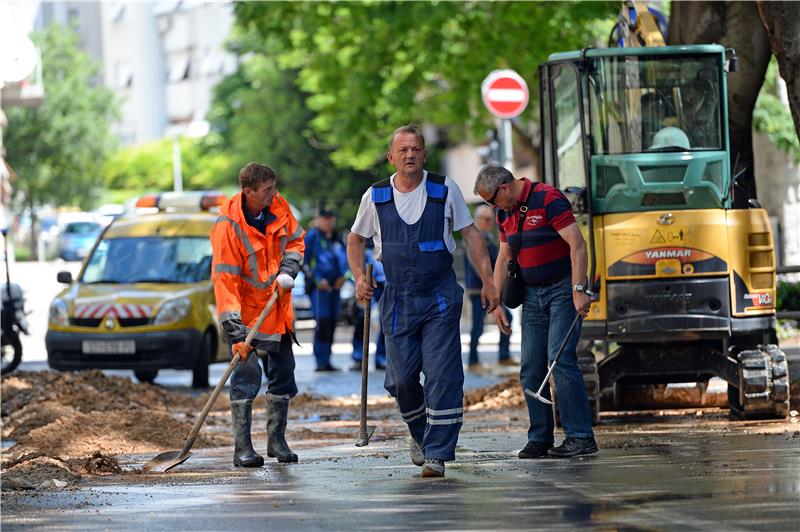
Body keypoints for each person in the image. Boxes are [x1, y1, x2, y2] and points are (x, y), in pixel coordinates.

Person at [347, 125, 499, 478]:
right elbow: (355, 240)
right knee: (400, 381)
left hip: (439, 297)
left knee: (442, 375)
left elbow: (471, 236)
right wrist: (357, 277)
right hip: (398, 297)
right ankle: (420, 434)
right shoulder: (375, 196)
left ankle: (438, 453)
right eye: (403, 150)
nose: (410, 155)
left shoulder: (444, 190)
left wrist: (489, 280)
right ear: (391, 157)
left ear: (424, 154)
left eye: (415, 149)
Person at [474, 163, 598, 459]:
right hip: (531, 295)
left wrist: (579, 291)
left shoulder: (549, 198)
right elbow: (505, 257)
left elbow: (577, 245)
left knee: (560, 358)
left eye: (491, 200)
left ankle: (580, 436)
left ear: (504, 188)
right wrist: (496, 300)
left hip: (562, 289)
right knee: (531, 366)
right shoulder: (506, 212)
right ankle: (540, 438)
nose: (491, 209)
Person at [211, 163, 305, 467]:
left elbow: (295, 241)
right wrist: (234, 329)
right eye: (267, 190)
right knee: (246, 376)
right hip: (246, 315)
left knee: (284, 374)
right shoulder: (228, 226)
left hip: (276, 307)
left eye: (274, 187)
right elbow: (225, 279)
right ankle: (243, 448)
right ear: (248, 192)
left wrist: (289, 269)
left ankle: (277, 442)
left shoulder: (278, 207)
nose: (274, 193)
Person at [464, 204, 516, 372]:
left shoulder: (487, 238)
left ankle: (503, 356)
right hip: (479, 290)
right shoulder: (474, 239)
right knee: (478, 325)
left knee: (505, 318)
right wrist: (489, 284)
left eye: (490, 219)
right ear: (477, 220)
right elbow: (477, 265)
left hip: (490, 288)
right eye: (486, 219)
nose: (490, 222)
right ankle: (473, 361)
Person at [303, 209, 347, 371]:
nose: (328, 223)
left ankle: (327, 359)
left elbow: (346, 260)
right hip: (319, 289)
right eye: (325, 219)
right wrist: (316, 280)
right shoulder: (312, 237)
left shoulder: (337, 238)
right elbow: (304, 263)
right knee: (322, 322)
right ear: (318, 220)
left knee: (332, 323)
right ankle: (320, 360)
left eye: (331, 219)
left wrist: (344, 277)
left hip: (335, 288)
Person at [350, 243, 387, 371]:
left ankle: (381, 357)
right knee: (361, 322)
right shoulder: (361, 243)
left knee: (385, 323)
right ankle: (358, 357)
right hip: (366, 285)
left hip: (384, 285)